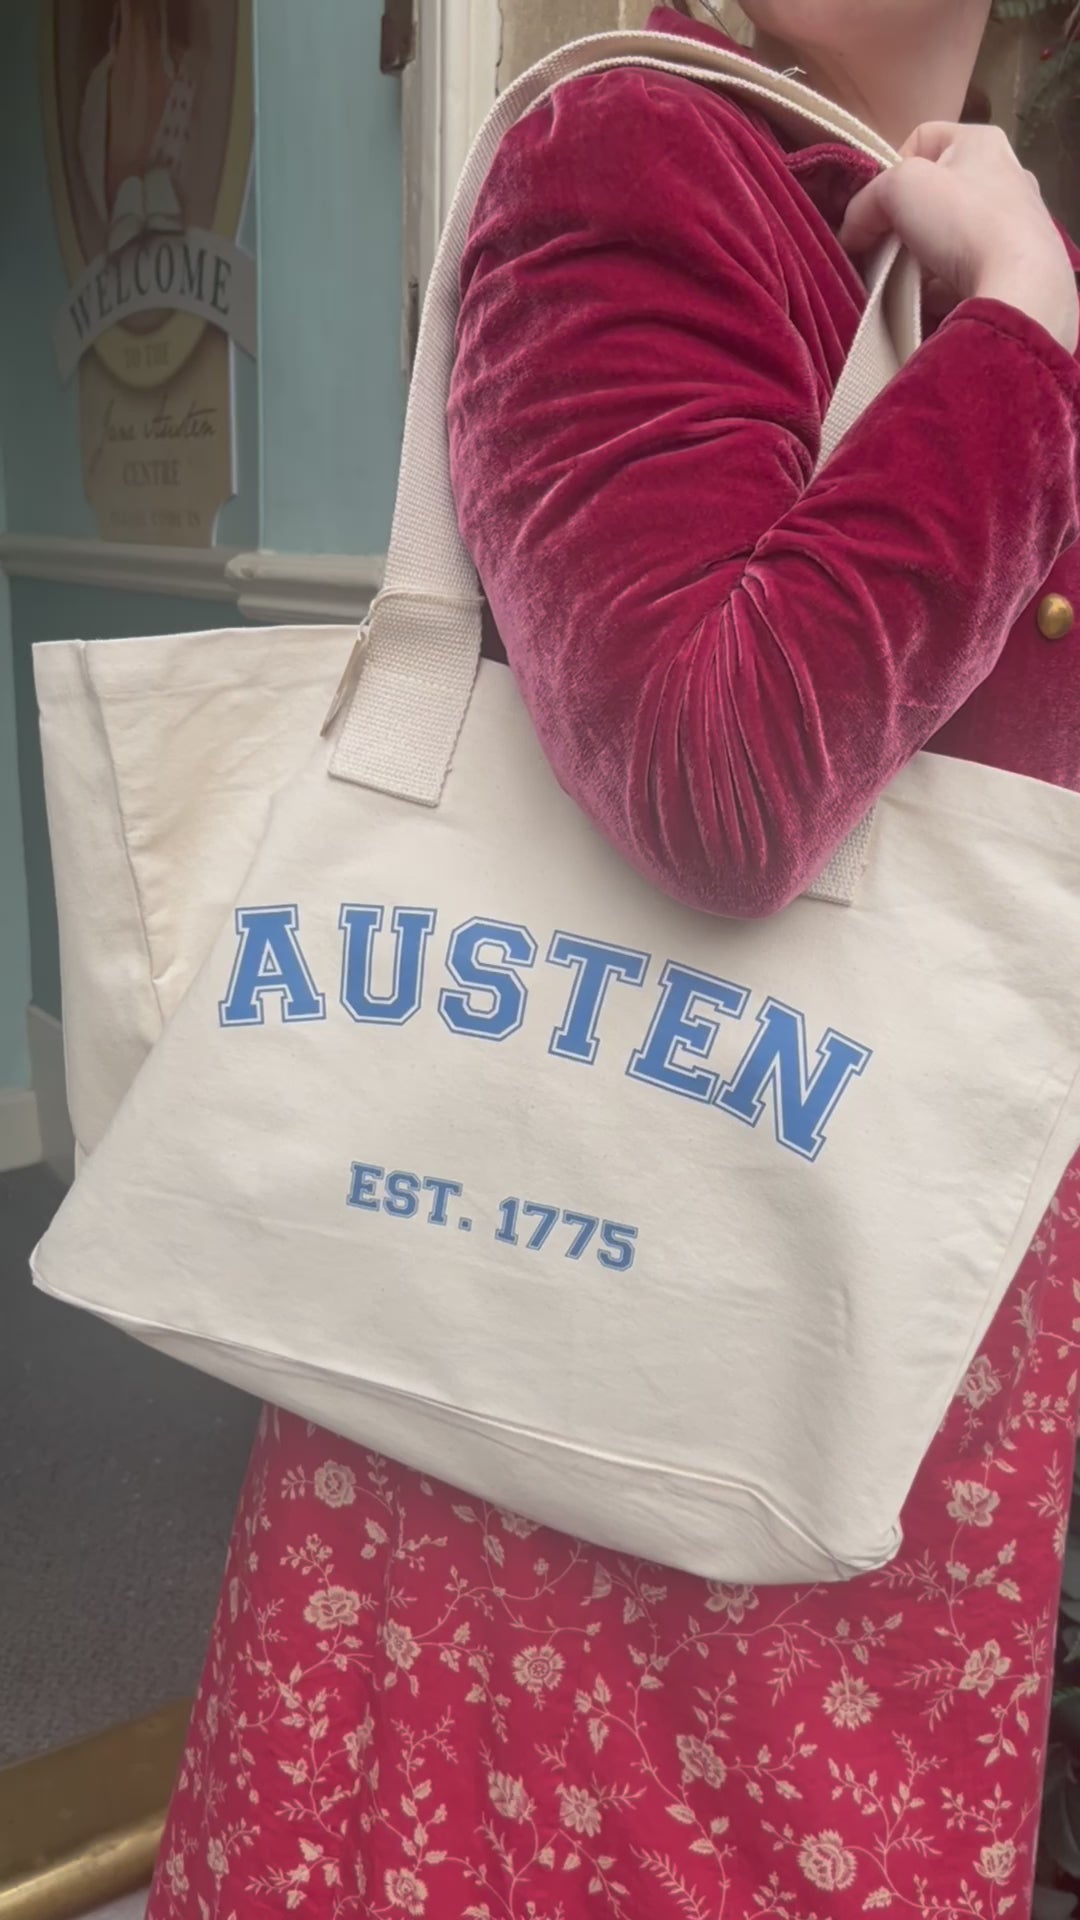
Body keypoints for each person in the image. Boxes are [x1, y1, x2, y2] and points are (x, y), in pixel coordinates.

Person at [146, 4, 1080, 1914]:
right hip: (615, 1330)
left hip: (859, 1301)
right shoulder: (646, 150)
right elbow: (720, 774)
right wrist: (1020, 340)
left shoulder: (952, 213)